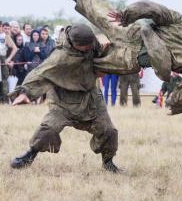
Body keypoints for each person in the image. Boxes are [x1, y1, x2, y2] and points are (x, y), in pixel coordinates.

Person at [61, 0, 182, 115]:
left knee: (103, 14)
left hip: (133, 33)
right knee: (93, 64)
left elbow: (152, 8)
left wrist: (126, 16)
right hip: (133, 59)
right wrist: (176, 103)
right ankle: (62, 65)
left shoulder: (181, 23)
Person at [9, 24, 121, 173]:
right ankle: (30, 154)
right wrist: (25, 93)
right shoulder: (59, 56)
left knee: (109, 131)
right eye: (85, 47)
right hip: (62, 101)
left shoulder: (92, 43)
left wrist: (106, 56)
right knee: (48, 129)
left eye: (90, 45)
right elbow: (40, 73)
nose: (89, 48)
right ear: (75, 44)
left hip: (90, 98)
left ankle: (108, 162)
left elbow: (102, 55)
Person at [0, 21, 17, 103]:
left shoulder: (5, 36)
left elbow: (15, 48)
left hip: (3, 58)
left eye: (0, 26)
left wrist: (9, 59)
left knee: (4, 81)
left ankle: (5, 100)